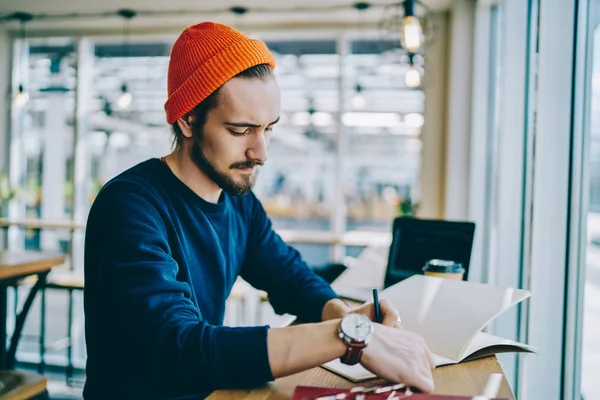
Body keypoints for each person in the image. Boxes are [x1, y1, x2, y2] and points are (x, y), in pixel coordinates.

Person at [83, 22, 435, 400]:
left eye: (268, 129)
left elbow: (290, 277)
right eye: (240, 130)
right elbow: (179, 346)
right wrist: (349, 337)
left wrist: (346, 316)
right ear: (187, 119)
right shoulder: (130, 207)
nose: (261, 152)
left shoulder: (238, 202)